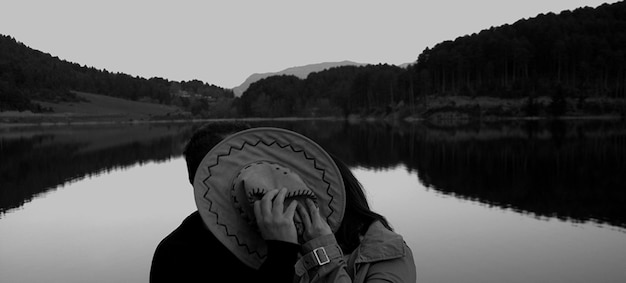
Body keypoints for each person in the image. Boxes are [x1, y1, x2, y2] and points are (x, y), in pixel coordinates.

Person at [149, 122, 300, 283]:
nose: (255, 181)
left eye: (258, 167)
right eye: (238, 172)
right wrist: (282, 253)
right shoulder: (176, 254)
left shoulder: (291, 225)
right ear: (204, 185)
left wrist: (321, 249)